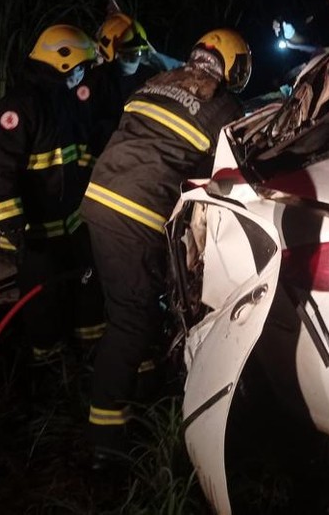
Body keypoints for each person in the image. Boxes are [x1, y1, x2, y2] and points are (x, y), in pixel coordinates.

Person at [80, 28, 252, 467]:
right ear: (232, 66)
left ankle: (141, 384)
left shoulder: (156, 83)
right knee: (131, 319)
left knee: (129, 301)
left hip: (99, 197)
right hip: (136, 212)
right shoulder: (223, 106)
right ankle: (106, 441)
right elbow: (232, 166)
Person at [0, 23, 105, 367]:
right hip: (35, 233)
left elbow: (83, 151)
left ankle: (90, 354)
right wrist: (12, 225)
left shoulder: (68, 100)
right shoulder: (20, 106)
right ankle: (49, 367)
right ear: (63, 63)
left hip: (73, 223)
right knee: (43, 303)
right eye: (80, 67)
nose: (84, 74)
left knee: (87, 288)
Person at [86, 11, 164, 154]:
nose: (135, 60)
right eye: (128, 55)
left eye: (139, 54)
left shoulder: (151, 78)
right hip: (105, 152)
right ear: (110, 53)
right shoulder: (95, 82)